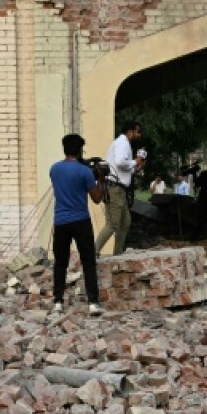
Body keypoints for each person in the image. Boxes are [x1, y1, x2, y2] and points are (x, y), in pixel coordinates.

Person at [49, 133, 104, 315]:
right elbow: (96, 198)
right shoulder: (85, 172)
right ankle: (93, 303)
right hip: (81, 220)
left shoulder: (54, 169)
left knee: (60, 263)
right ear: (80, 150)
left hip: (61, 221)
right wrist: (101, 181)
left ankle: (58, 301)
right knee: (88, 261)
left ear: (64, 149)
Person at [95, 122, 141, 256]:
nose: (138, 135)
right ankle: (93, 252)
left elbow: (121, 167)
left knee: (125, 222)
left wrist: (134, 168)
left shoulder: (122, 144)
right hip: (114, 188)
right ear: (129, 132)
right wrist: (134, 162)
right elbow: (121, 162)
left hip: (119, 189)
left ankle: (118, 253)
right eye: (137, 132)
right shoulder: (123, 143)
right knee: (113, 224)